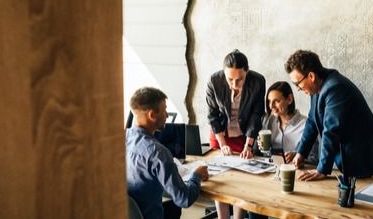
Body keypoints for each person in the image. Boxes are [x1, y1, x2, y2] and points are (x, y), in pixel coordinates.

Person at [285, 50, 373, 181]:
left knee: (362, 195)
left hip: (366, 153)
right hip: (351, 154)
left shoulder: (335, 88)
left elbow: (331, 130)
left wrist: (322, 169)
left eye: (297, 83)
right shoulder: (317, 86)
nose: (297, 88)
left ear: (311, 76)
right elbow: (312, 120)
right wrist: (301, 153)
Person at [126, 87, 209, 219]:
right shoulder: (158, 153)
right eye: (164, 110)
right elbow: (184, 199)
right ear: (152, 115)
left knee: (173, 206)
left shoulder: (121, 140)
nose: (167, 115)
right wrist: (196, 176)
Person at [205, 49, 266, 219]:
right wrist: (222, 143)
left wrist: (249, 144)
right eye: (230, 79)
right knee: (220, 177)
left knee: (241, 178)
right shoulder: (214, 80)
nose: (234, 84)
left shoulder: (258, 81)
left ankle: (238, 217)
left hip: (244, 134)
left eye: (239, 80)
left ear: (247, 70)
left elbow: (256, 114)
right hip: (220, 134)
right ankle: (222, 217)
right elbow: (212, 115)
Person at [258, 81, 319, 165]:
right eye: (269, 101)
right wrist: (263, 148)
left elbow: (315, 159)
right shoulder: (269, 121)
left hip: (296, 173)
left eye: (276, 101)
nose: (271, 106)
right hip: (272, 171)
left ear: (289, 99)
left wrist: (298, 156)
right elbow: (267, 155)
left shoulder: (307, 125)